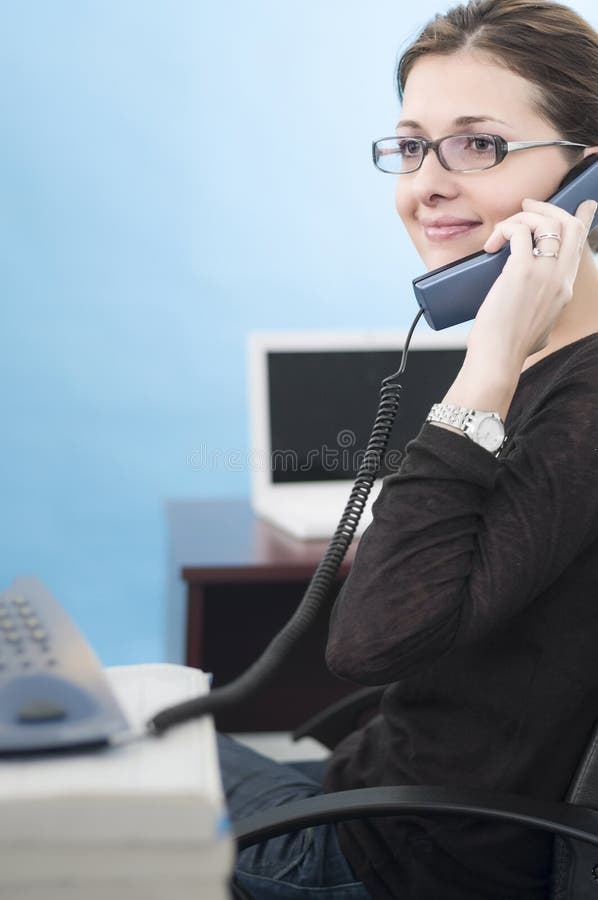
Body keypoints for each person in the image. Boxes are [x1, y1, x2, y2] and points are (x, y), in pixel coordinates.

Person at [219, 1, 598, 897]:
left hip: (393, 858)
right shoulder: (558, 378)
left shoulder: (578, 402)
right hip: (388, 798)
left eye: (478, 145)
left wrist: (491, 355)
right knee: (140, 721)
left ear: (586, 179)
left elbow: (370, 640)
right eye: (411, 146)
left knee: (98, 764)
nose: (425, 184)